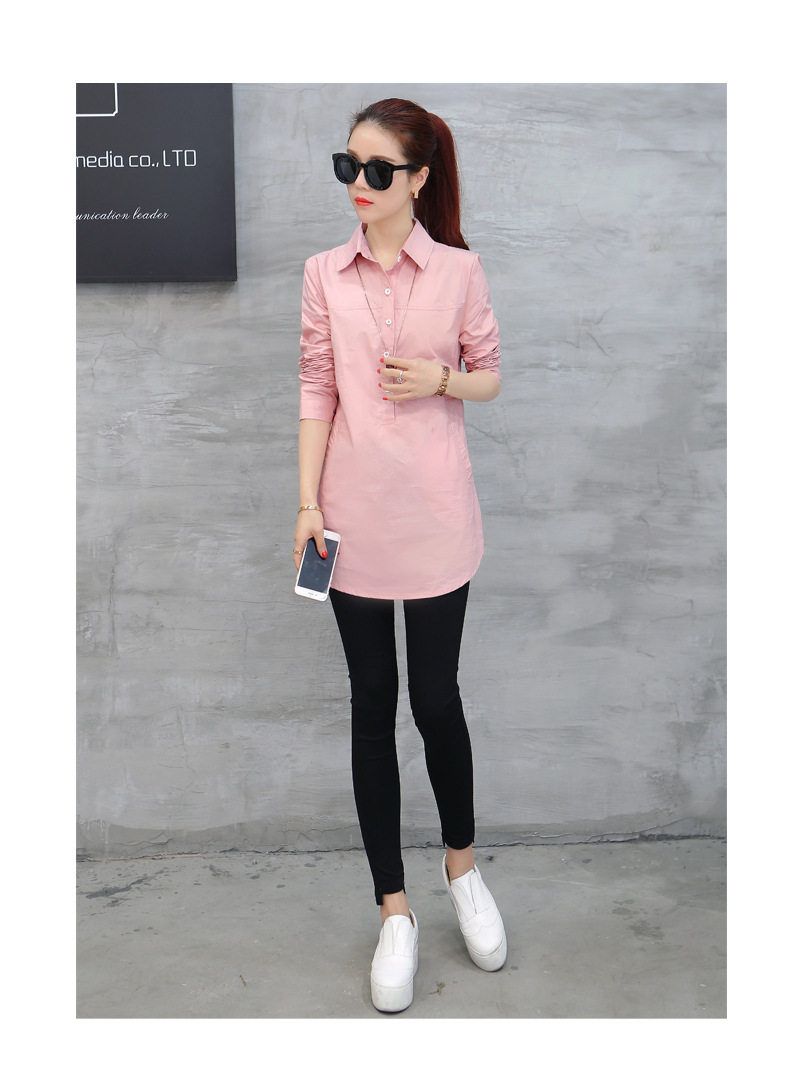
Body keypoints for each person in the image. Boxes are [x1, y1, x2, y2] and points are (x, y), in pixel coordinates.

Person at [293, 98, 506, 1013]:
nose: (360, 184)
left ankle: (462, 868)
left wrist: (440, 379)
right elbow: (317, 387)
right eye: (349, 166)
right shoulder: (322, 273)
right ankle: (394, 910)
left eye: (378, 170)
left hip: (437, 516)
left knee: (437, 699)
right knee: (371, 705)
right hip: (351, 518)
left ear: (418, 179)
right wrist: (308, 503)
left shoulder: (458, 270)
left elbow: (490, 375)